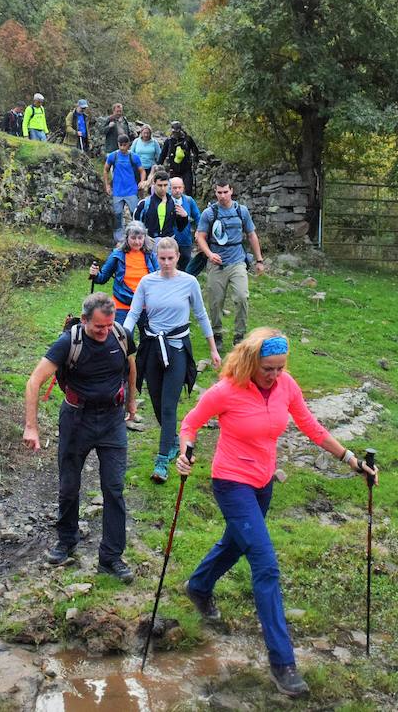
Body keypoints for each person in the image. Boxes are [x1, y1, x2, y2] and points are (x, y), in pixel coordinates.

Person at [176, 329, 377, 698]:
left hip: (263, 482)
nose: (275, 375)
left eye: (281, 367)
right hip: (231, 482)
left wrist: (350, 459)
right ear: (252, 363)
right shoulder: (226, 390)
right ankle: (282, 662)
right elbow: (190, 423)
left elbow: (310, 427)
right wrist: (184, 453)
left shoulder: (286, 385)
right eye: (268, 368)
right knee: (265, 564)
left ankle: (199, 586)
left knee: (236, 544)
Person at [23, 293, 137, 583]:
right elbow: (34, 381)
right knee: (69, 484)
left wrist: (131, 403)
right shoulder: (68, 343)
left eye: (109, 326)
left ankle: (111, 557)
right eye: (99, 326)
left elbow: (130, 367)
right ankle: (67, 540)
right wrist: (31, 427)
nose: (105, 331)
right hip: (77, 419)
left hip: (112, 421)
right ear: (85, 320)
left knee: (114, 488)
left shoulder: (121, 335)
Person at [123, 237, 221, 484]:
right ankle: (174, 442)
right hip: (152, 347)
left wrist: (212, 349)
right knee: (156, 402)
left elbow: (201, 314)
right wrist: (121, 338)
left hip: (177, 349)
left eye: (170, 258)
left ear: (178, 257)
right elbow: (134, 313)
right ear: (157, 257)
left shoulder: (189, 282)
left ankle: (162, 461)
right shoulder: (147, 281)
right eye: (162, 258)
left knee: (168, 406)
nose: (166, 263)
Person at [193, 178, 265, 348]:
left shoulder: (242, 211)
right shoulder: (209, 214)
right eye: (219, 192)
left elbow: (251, 235)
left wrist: (259, 260)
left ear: (231, 191)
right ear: (215, 192)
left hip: (238, 261)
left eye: (226, 192)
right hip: (216, 263)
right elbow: (200, 236)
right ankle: (216, 334)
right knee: (215, 301)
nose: (223, 196)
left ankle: (240, 335)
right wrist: (209, 254)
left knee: (241, 297)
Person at [90, 221, 157, 329]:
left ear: (145, 237)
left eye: (140, 238)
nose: (137, 242)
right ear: (127, 238)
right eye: (133, 238)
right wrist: (95, 274)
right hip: (122, 304)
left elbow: (159, 277)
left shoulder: (150, 255)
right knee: (121, 338)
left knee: (149, 339)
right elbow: (102, 278)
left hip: (146, 305)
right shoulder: (117, 255)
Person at [103, 136, 144, 244]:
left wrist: (142, 181)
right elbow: (106, 169)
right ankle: (119, 239)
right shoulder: (113, 156)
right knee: (117, 214)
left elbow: (142, 171)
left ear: (128, 144)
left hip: (131, 190)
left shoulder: (133, 157)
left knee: (135, 214)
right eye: (120, 145)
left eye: (124, 145)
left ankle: (138, 235)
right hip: (117, 191)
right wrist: (107, 185)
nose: (122, 147)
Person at [132, 168, 188, 241]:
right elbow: (135, 225)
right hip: (149, 241)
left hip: (168, 241)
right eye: (160, 185)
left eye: (165, 185)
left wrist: (185, 217)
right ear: (154, 184)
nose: (163, 188)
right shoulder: (144, 203)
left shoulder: (174, 204)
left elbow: (180, 228)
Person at [169, 175, 202, 271]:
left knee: (186, 263)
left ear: (183, 187)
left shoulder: (188, 200)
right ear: (170, 188)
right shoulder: (166, 201)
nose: (178, 190)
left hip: (185, 239)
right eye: (175, 188)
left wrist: (199, 231)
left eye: (180, 187)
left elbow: (198, 217)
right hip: (170, 239)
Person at [159, 121, 201, 191]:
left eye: (177, 132)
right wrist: (159, 165)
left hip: (186, 167)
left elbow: (195, 150)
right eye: (174, 132)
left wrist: (195, 160)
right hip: (173, 168)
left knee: (188, 189)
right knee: (173, 189)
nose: (175, 134)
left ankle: (188, 200)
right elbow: (163, 154)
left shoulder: (187, 139)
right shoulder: (169, 141)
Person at [131, 123, 162, 190]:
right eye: (144, 133)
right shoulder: (136, 141)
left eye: (148, 133)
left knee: (150, 187)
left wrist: (157, 165)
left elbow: (160, 155)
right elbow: (131, 154)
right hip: (138, 167)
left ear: (150, 133)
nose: (146, 135)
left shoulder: (154, 142)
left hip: (150, 168)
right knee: (139, 187)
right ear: (141, 133)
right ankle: (140, 199)